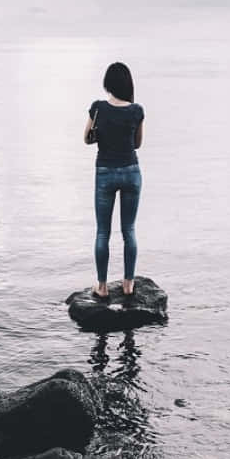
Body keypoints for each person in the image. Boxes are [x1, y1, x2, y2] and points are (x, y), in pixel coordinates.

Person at [83, 62, 145, 299]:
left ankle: (102, 286)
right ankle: (128, 284)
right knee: (129, 230)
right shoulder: (137, 110)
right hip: (131, 171)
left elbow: (86, 139)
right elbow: (137, 144)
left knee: (102, 233)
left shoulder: (98, 108)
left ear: (108, 84)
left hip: (105, 172)